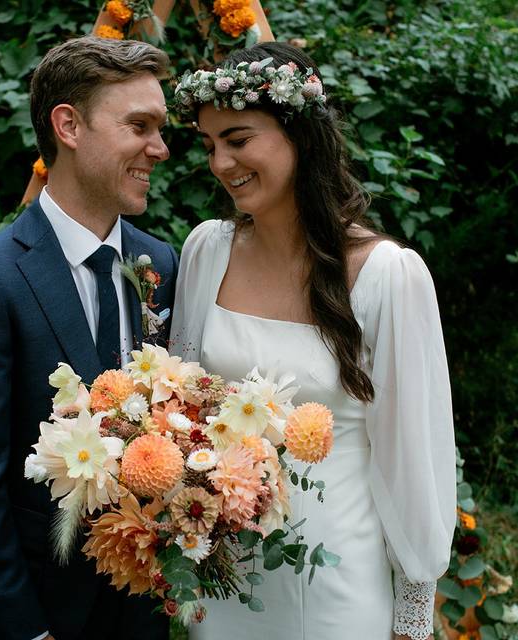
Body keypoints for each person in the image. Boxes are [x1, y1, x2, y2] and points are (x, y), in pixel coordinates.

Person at [169, 42, 456, 640]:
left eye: (239, 139)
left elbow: (411, 457)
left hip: (336, 580)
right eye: (210, 144)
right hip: (227, 576)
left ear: (300, 136)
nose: (222, 162)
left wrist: (412, 611)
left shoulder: (385, 276)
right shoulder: (206, 250)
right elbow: (181, 410)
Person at [0, 36, 177, 640]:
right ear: (68, 126)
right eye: (139, 126)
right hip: (34, 616)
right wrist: (26, 630)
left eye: (162, 129)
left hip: (140, 612)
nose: (161, 149)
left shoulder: (159, 264)